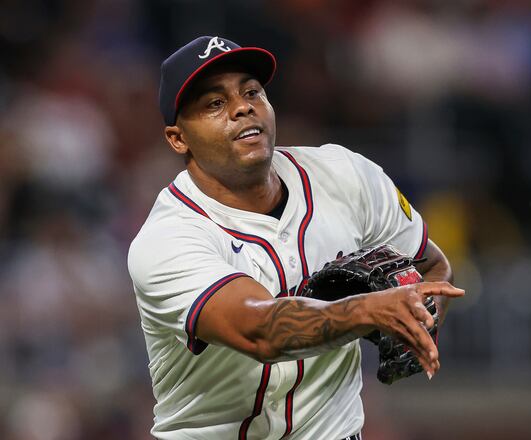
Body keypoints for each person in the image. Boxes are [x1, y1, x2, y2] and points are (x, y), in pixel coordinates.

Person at [127, 35, 463, 440]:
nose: (242, 107)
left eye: (252, 91)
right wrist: (366, 310)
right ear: (178, 138)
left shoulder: (345, 175)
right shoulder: (168, 238)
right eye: (215, 103)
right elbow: (259, 330)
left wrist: (419, 313)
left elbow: (431, 267)